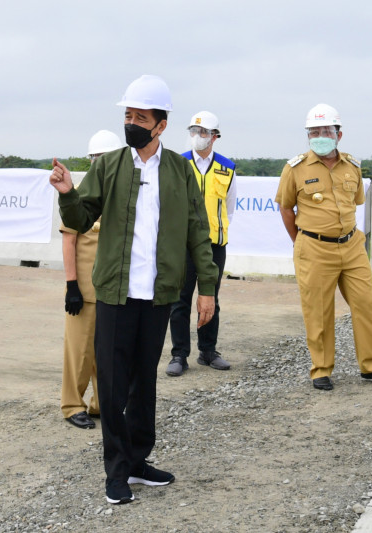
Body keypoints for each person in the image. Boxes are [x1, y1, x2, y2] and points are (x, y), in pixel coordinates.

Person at [49, 75, 219, 505]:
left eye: (140, 117)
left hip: (159, 294)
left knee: (143, 382)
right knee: (111, 381)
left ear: (160, 125)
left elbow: (199, 231)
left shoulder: (180, 171)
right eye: (128, 115)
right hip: (114, 294)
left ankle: (139, 460)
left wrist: (207, 289)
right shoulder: (109, 166)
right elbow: (82, 217)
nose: (132, 123)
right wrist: (69, 192)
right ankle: (117, 471)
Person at [275, 103, 372, 391]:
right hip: (314, 248)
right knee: (318, 310)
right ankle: (322, 369)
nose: (319, 136)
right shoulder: (295, 168)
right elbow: (286, 208)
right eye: (313, 131)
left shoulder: (352, 166)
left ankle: (370, 365)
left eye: (325, 130)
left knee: (365, 304)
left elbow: (355, 204)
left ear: (338, 135)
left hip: (352, 245)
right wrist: (302, 241)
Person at [60, 130, 123, 429]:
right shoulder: (81, 194)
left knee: (107, 351)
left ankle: (101, 405)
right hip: (84, 289)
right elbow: (69, 240)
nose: (100, 163)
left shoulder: (123, 195)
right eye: (96, 158)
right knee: (79, 351)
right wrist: (71, 284)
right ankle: (73, 405)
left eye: (105, 158)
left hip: (113, 287)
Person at [166, 111, 236, 376]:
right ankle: (179, 355)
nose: (198, 137)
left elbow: (229, 205)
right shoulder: (178, 163)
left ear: (215, 137)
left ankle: (208, 351)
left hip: (214, 244)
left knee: (211, 299)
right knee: (180, 300)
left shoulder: (227, 167)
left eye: (204, 132)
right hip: (182, 244)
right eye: (194, 131)